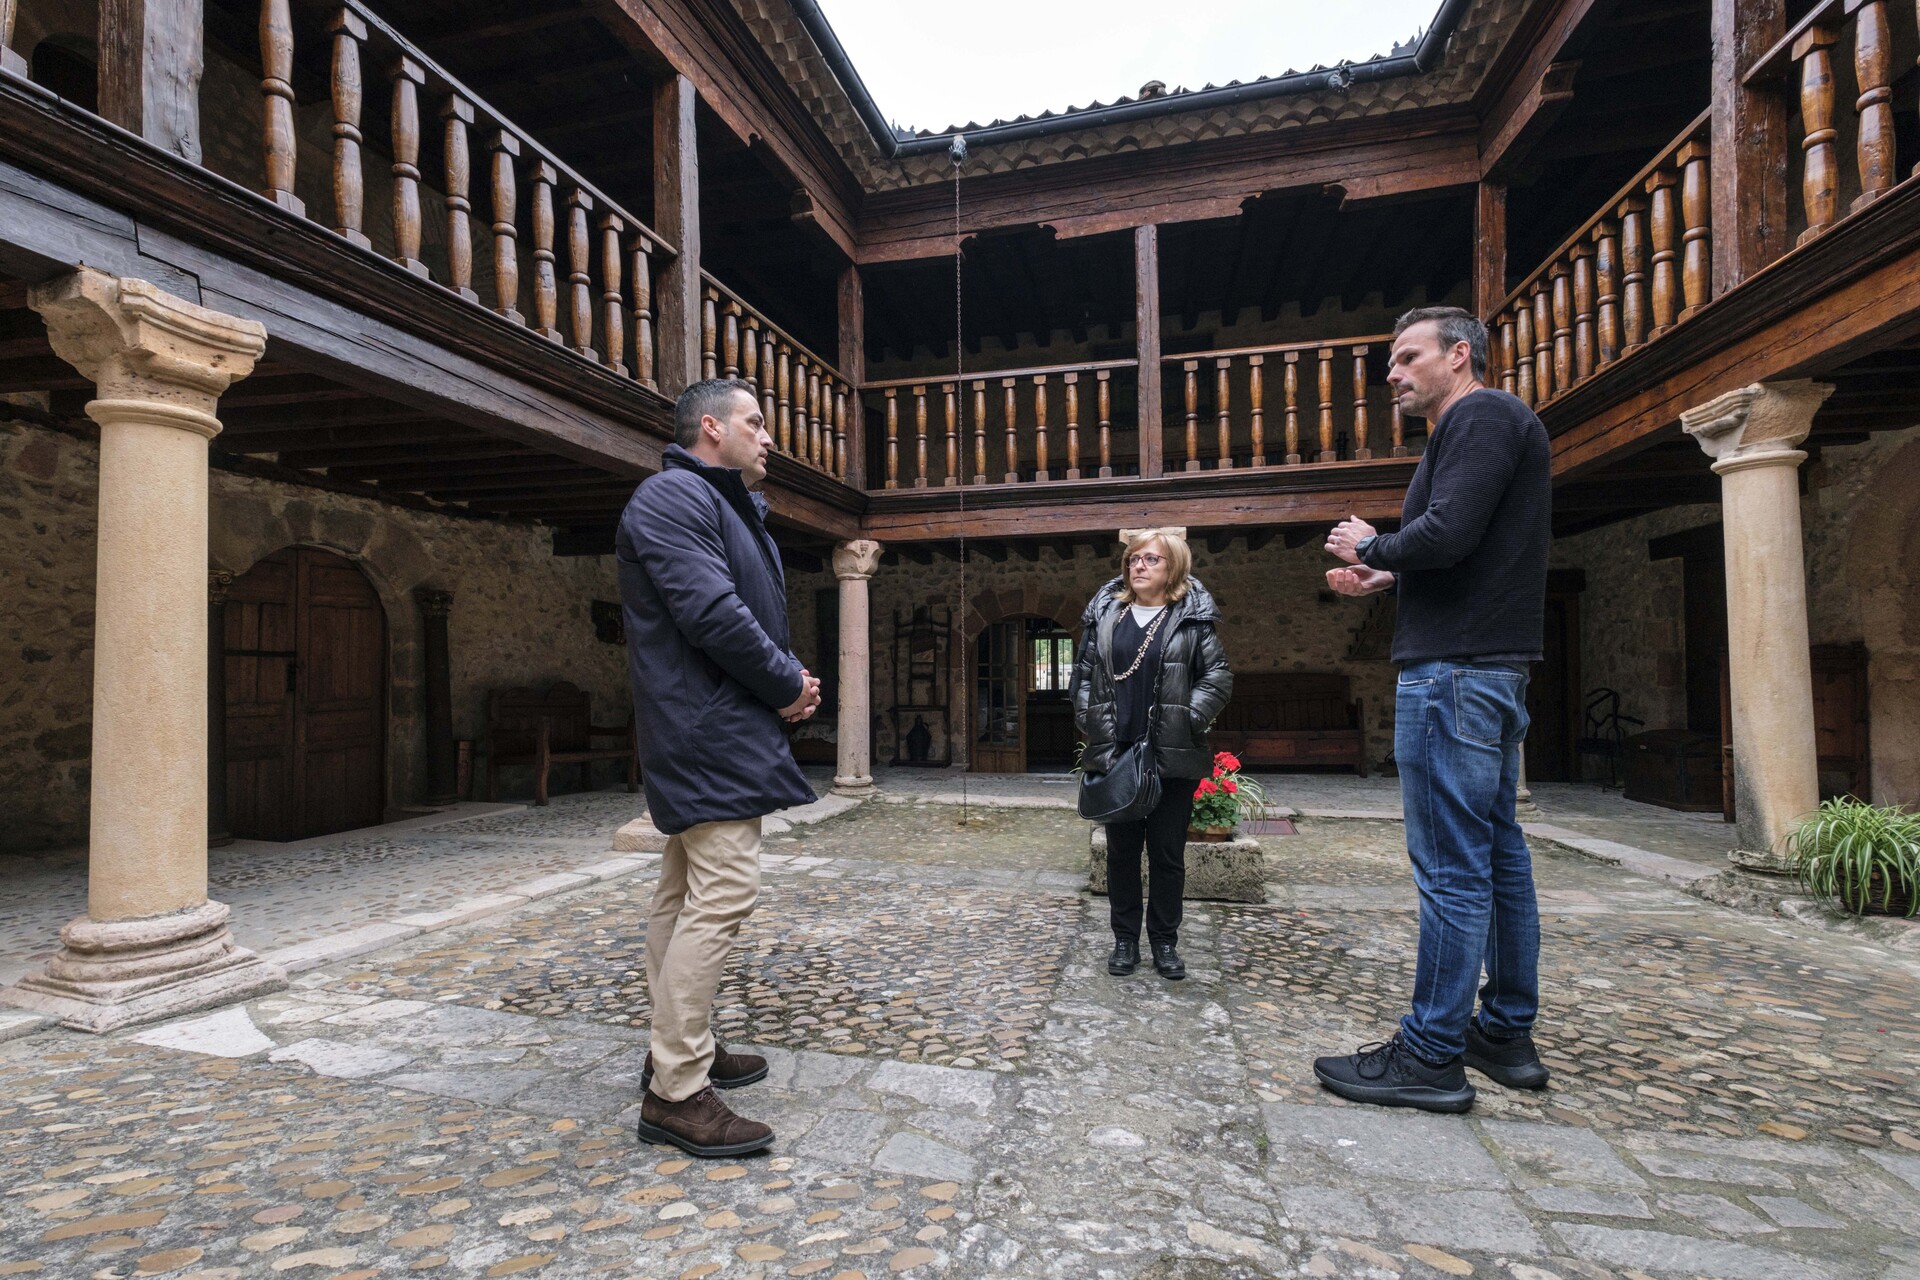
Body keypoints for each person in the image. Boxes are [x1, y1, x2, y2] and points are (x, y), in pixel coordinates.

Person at [1311, 306, 1553, 1113]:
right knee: (1496, 855)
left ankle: (1431, 1053)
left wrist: (1371, 548)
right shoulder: (1491, 424)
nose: (1392, 371)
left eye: (1407, 356)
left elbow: (1446, 535)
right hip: (1484, 667)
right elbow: (1464, 552)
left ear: (1459, 355)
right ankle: (1504, 1032)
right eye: (1390, 359)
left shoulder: (1481, 415)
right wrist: (1388, 580)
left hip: (1452, 675)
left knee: (1452, 867)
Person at [617, 377, 822, 1157]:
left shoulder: (720, 504)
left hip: (714, 721)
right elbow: (712, 616)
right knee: (725, 888)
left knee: (680, 892)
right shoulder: (673, 500)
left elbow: (741, 612)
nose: (769, 437)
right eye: (755, 423)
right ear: (710, 428)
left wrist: (785, 678)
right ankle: (675, 1091)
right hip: (705, 728)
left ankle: (679, 1048)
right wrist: (785, 684)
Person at [1071, 528, 1233, 981]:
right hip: (1117, 753)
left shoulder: (1191, 618)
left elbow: (1218, 677)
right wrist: (1090, 718)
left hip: (1171, 755)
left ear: (1173, 568)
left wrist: (1186, 718)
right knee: (1121, 853)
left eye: (1151, 560)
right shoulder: (1107, 614)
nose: (1138, 566)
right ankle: (1125, 940)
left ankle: (1164, 942)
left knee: (1166, 855)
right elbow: (1082, 675)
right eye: (1134, 559)